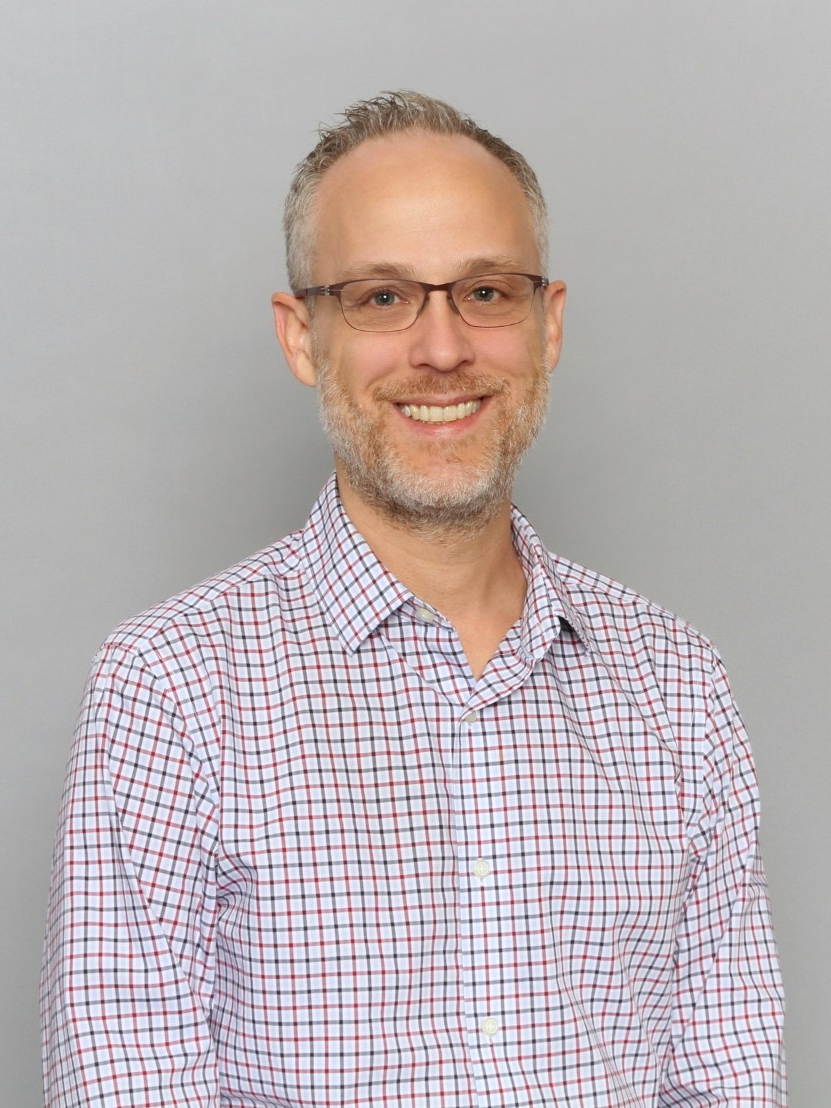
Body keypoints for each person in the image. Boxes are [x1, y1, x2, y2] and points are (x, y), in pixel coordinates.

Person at [41, 91, 786, 1107]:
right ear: (302, 337)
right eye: (382, 297)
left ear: (548, 325)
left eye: (485, 291)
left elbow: (728, 1078)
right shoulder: (170, 689)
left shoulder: (677, 684)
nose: (441, 350)